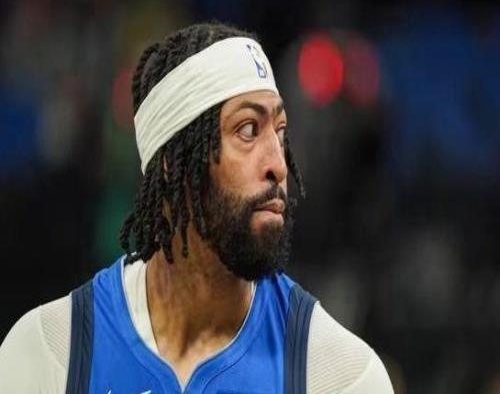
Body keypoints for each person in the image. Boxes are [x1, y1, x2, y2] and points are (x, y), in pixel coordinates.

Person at [0, 22, 394, 393]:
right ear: (173, 162)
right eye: (248, 130)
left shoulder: (339, 375)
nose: (278, 163)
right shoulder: (51, 352)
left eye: (280, 132)